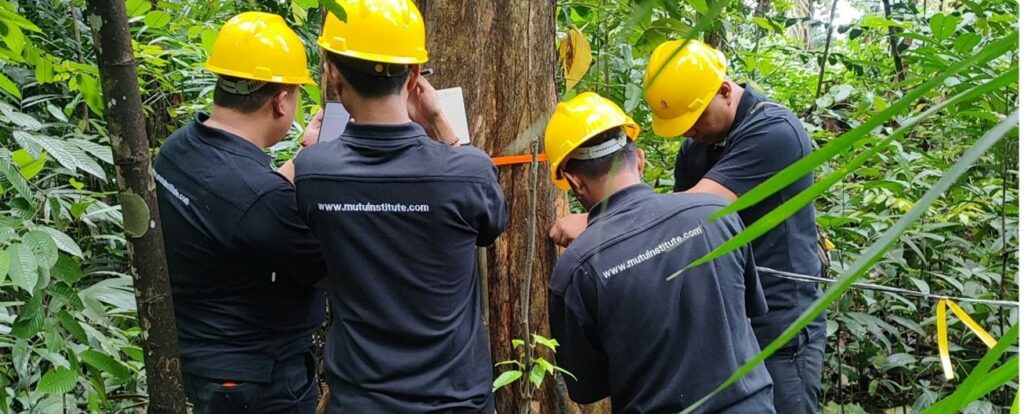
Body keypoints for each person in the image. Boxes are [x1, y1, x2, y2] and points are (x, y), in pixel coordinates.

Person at [550, 40, 826, 414]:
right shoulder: (697, 147)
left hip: (780, 322)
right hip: (722, 319)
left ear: (725, 91)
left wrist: (596, 219)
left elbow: (698, 211)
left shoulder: (774, 133)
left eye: (694, 120)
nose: (688, 132)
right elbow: (670, 231)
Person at [293, 0, 508, 412]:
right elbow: (491, 224)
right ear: (414, 76)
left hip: (361, 400)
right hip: (456, 401)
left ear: (332, 71)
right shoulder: (467, 171)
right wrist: (442, 125)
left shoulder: (313, 171)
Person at [545, 92, 775, 413]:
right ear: (639, 159)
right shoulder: (715, 213)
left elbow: (587, 387)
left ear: (573, 181)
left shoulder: (576, 269)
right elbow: (747, 313)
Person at [153, 12, 326, 414]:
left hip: (202, 361)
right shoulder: (260, 200)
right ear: (281, 100)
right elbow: (335, 271)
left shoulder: (179, 149)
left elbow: (243, 209)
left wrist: (304, 158)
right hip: (256, 381)